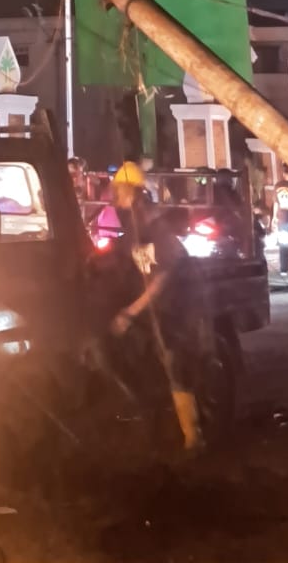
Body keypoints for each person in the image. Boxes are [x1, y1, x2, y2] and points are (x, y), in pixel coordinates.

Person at [107, 160, 203, 453]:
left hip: (173, 309)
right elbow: (124, 259)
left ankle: (194, 438)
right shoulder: (133, 228)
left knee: (174, 368)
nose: (115, 196)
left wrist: (130, 312)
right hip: (152, 312)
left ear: (133, 192)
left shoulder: (157, 227)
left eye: (119, 190)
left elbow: (161, 279)